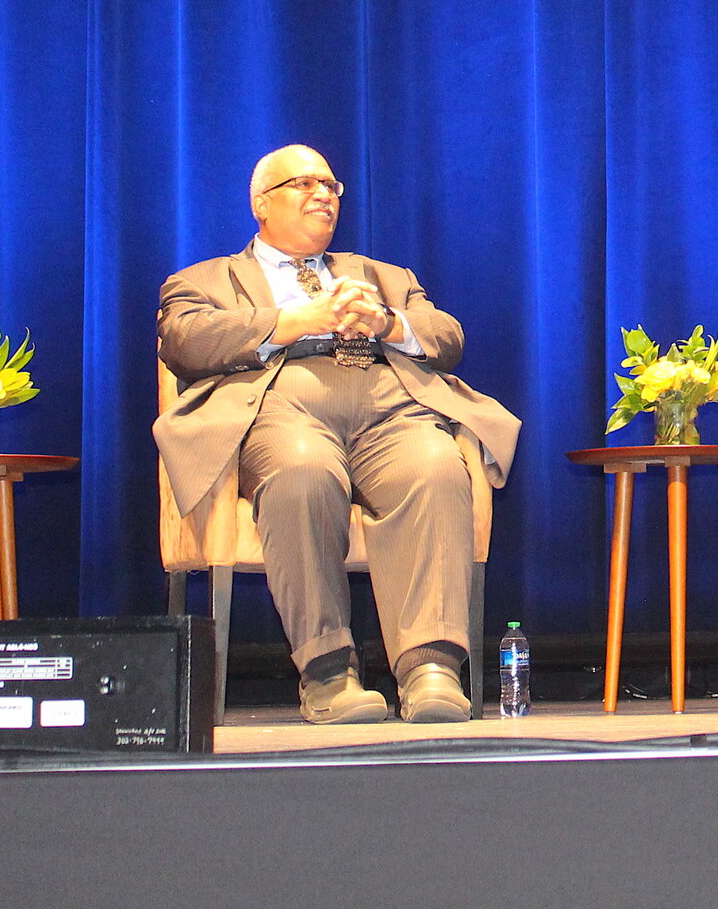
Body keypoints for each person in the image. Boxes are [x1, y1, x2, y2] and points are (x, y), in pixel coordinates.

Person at [156, 145, 521, 725]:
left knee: (434, 465)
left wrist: (386, 322)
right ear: (260, 204)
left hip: (389, 413)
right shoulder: (204, 280)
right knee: (303, 470)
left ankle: (430, 670)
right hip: (280, 412)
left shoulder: (384, 276)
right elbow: (184, 343)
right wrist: (294, 321)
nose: (324, 195)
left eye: (331, 185)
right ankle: (328, 672)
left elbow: (445, 337)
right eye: (304, 184)